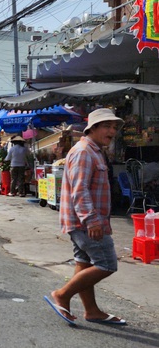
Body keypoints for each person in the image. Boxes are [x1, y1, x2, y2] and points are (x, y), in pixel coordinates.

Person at [45, 108, 127, 326]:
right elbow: (80, 190)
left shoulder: (94, 151)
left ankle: (91, 311)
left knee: (84, 262)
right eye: (107, 126)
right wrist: (92, 220)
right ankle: (62, 294)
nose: (112, 131)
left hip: (84, 220)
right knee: (107, 263)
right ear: (93, 128)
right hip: (85, 222)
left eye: (114, 127)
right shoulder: (84, 151)